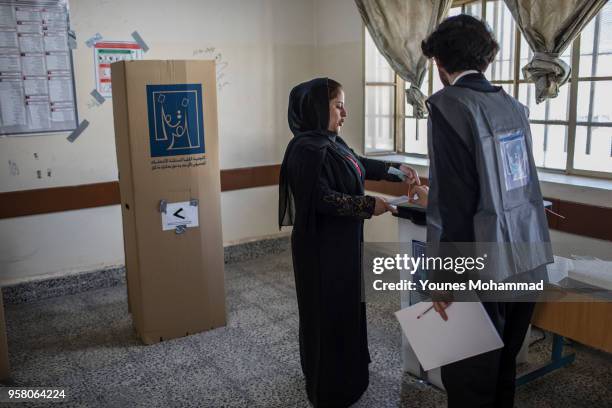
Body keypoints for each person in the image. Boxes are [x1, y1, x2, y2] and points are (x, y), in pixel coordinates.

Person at [420, 15, 553, 408]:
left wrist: (442, 280)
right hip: (526, 258)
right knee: (502, 372)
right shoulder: (513, 106)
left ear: (440, 64)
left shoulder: (449, 106)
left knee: (468, 380)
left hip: (479, 270)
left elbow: (455, 206)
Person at [278, 78, 419, 407]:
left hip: (343, 246)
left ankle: (350, 375)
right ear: (317, 109)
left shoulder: (332, 143)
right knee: (326, 314)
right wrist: (370, 205)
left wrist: (398, 171)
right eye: (337, 105)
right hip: (320, 250)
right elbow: (321, 200)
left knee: (346, 309)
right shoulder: (305, 150)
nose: (345, 112)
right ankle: (328, 387)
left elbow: (360, 164)